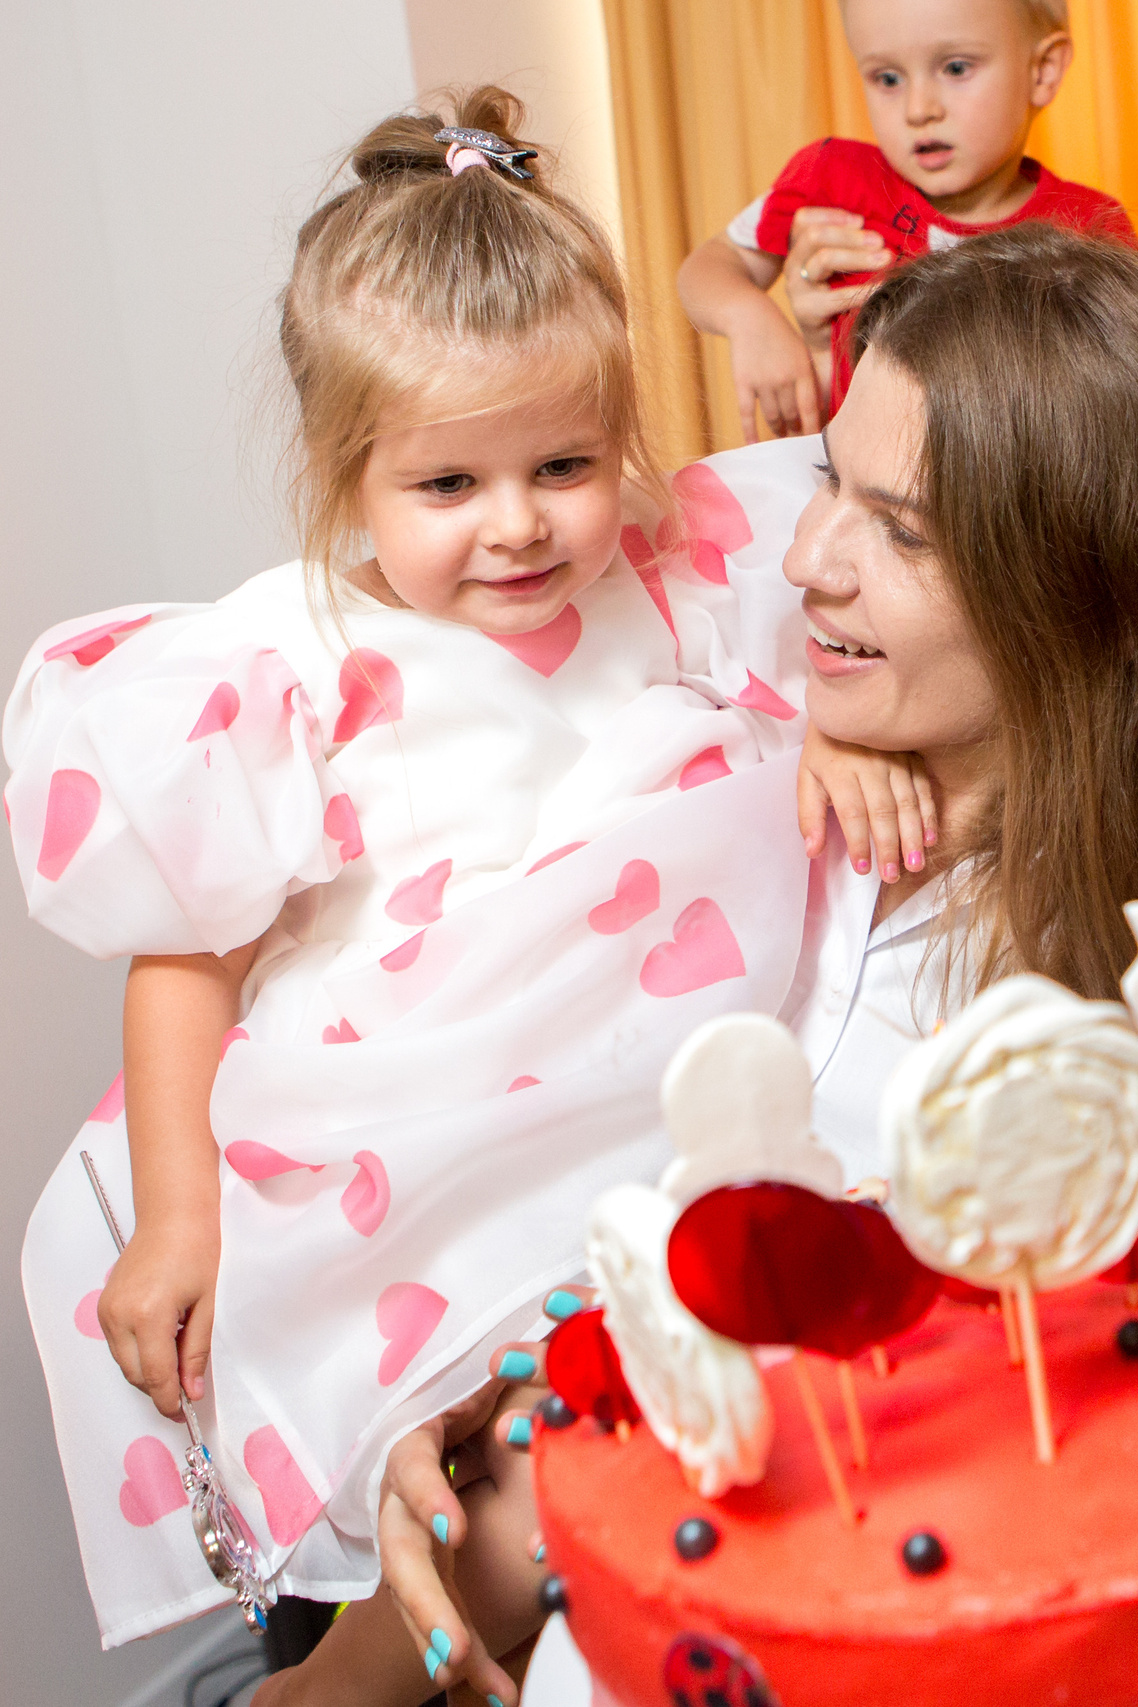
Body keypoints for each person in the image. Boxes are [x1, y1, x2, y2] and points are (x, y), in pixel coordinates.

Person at [368, 223, 1138, 1697]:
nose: (806, 562)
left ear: (1106, 593)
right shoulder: (737, 757)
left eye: (907, 530)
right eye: (827, 485)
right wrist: (469, 1388)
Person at [5, 90, 812, 1703]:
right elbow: (188, 958)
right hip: (384, 1143)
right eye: (449, 486)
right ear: (346, 474)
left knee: (630, 1486)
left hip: (627, 1105)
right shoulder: (289, 659)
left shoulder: (677, 569)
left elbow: (833, 699)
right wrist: (178, 1214)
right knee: (428, 1516)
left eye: (566, 463)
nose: (521, 524)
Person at [676, 0, 1137, 441]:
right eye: (888, 78)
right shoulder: (832, 178)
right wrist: (750, 318)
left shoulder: (1091, 227)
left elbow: (1125, 401)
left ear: (1043, 71)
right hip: (854, 496)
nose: (919, 109)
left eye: (956, 68)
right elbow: (711, 265)